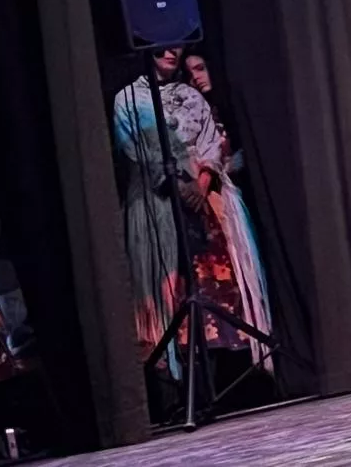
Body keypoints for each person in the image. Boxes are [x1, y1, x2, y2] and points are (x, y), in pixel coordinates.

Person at [112, 47, 272, 375]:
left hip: (205, 197)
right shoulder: (127, 99)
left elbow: (210, 140)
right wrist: (177, 181)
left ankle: (234, 368)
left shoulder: (190, 95)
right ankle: (180, 373)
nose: (173, 52)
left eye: (177, 45)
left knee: (216, 279)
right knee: (171, 285)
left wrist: (201, 181)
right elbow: (134, 149)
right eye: (163, 47)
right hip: (159, 201)